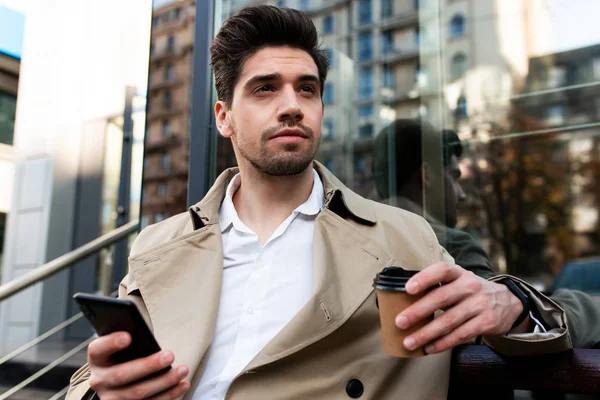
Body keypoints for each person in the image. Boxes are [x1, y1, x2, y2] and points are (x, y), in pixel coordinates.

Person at [67, 7, 572, 400]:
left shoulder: (404, 236)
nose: (291, 105)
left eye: (306, 89)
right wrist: (102, 388)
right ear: (223, 117)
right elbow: (93, 375)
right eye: (265, 89)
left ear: (322, 110)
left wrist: (514, 305)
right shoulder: (159, 244)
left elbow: (530, 320)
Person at [373, 118, 600, 349]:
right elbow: (496, 333)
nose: (460, 194)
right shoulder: (452, 244)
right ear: (427, 175)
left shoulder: (357, 238)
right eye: (453, 176)